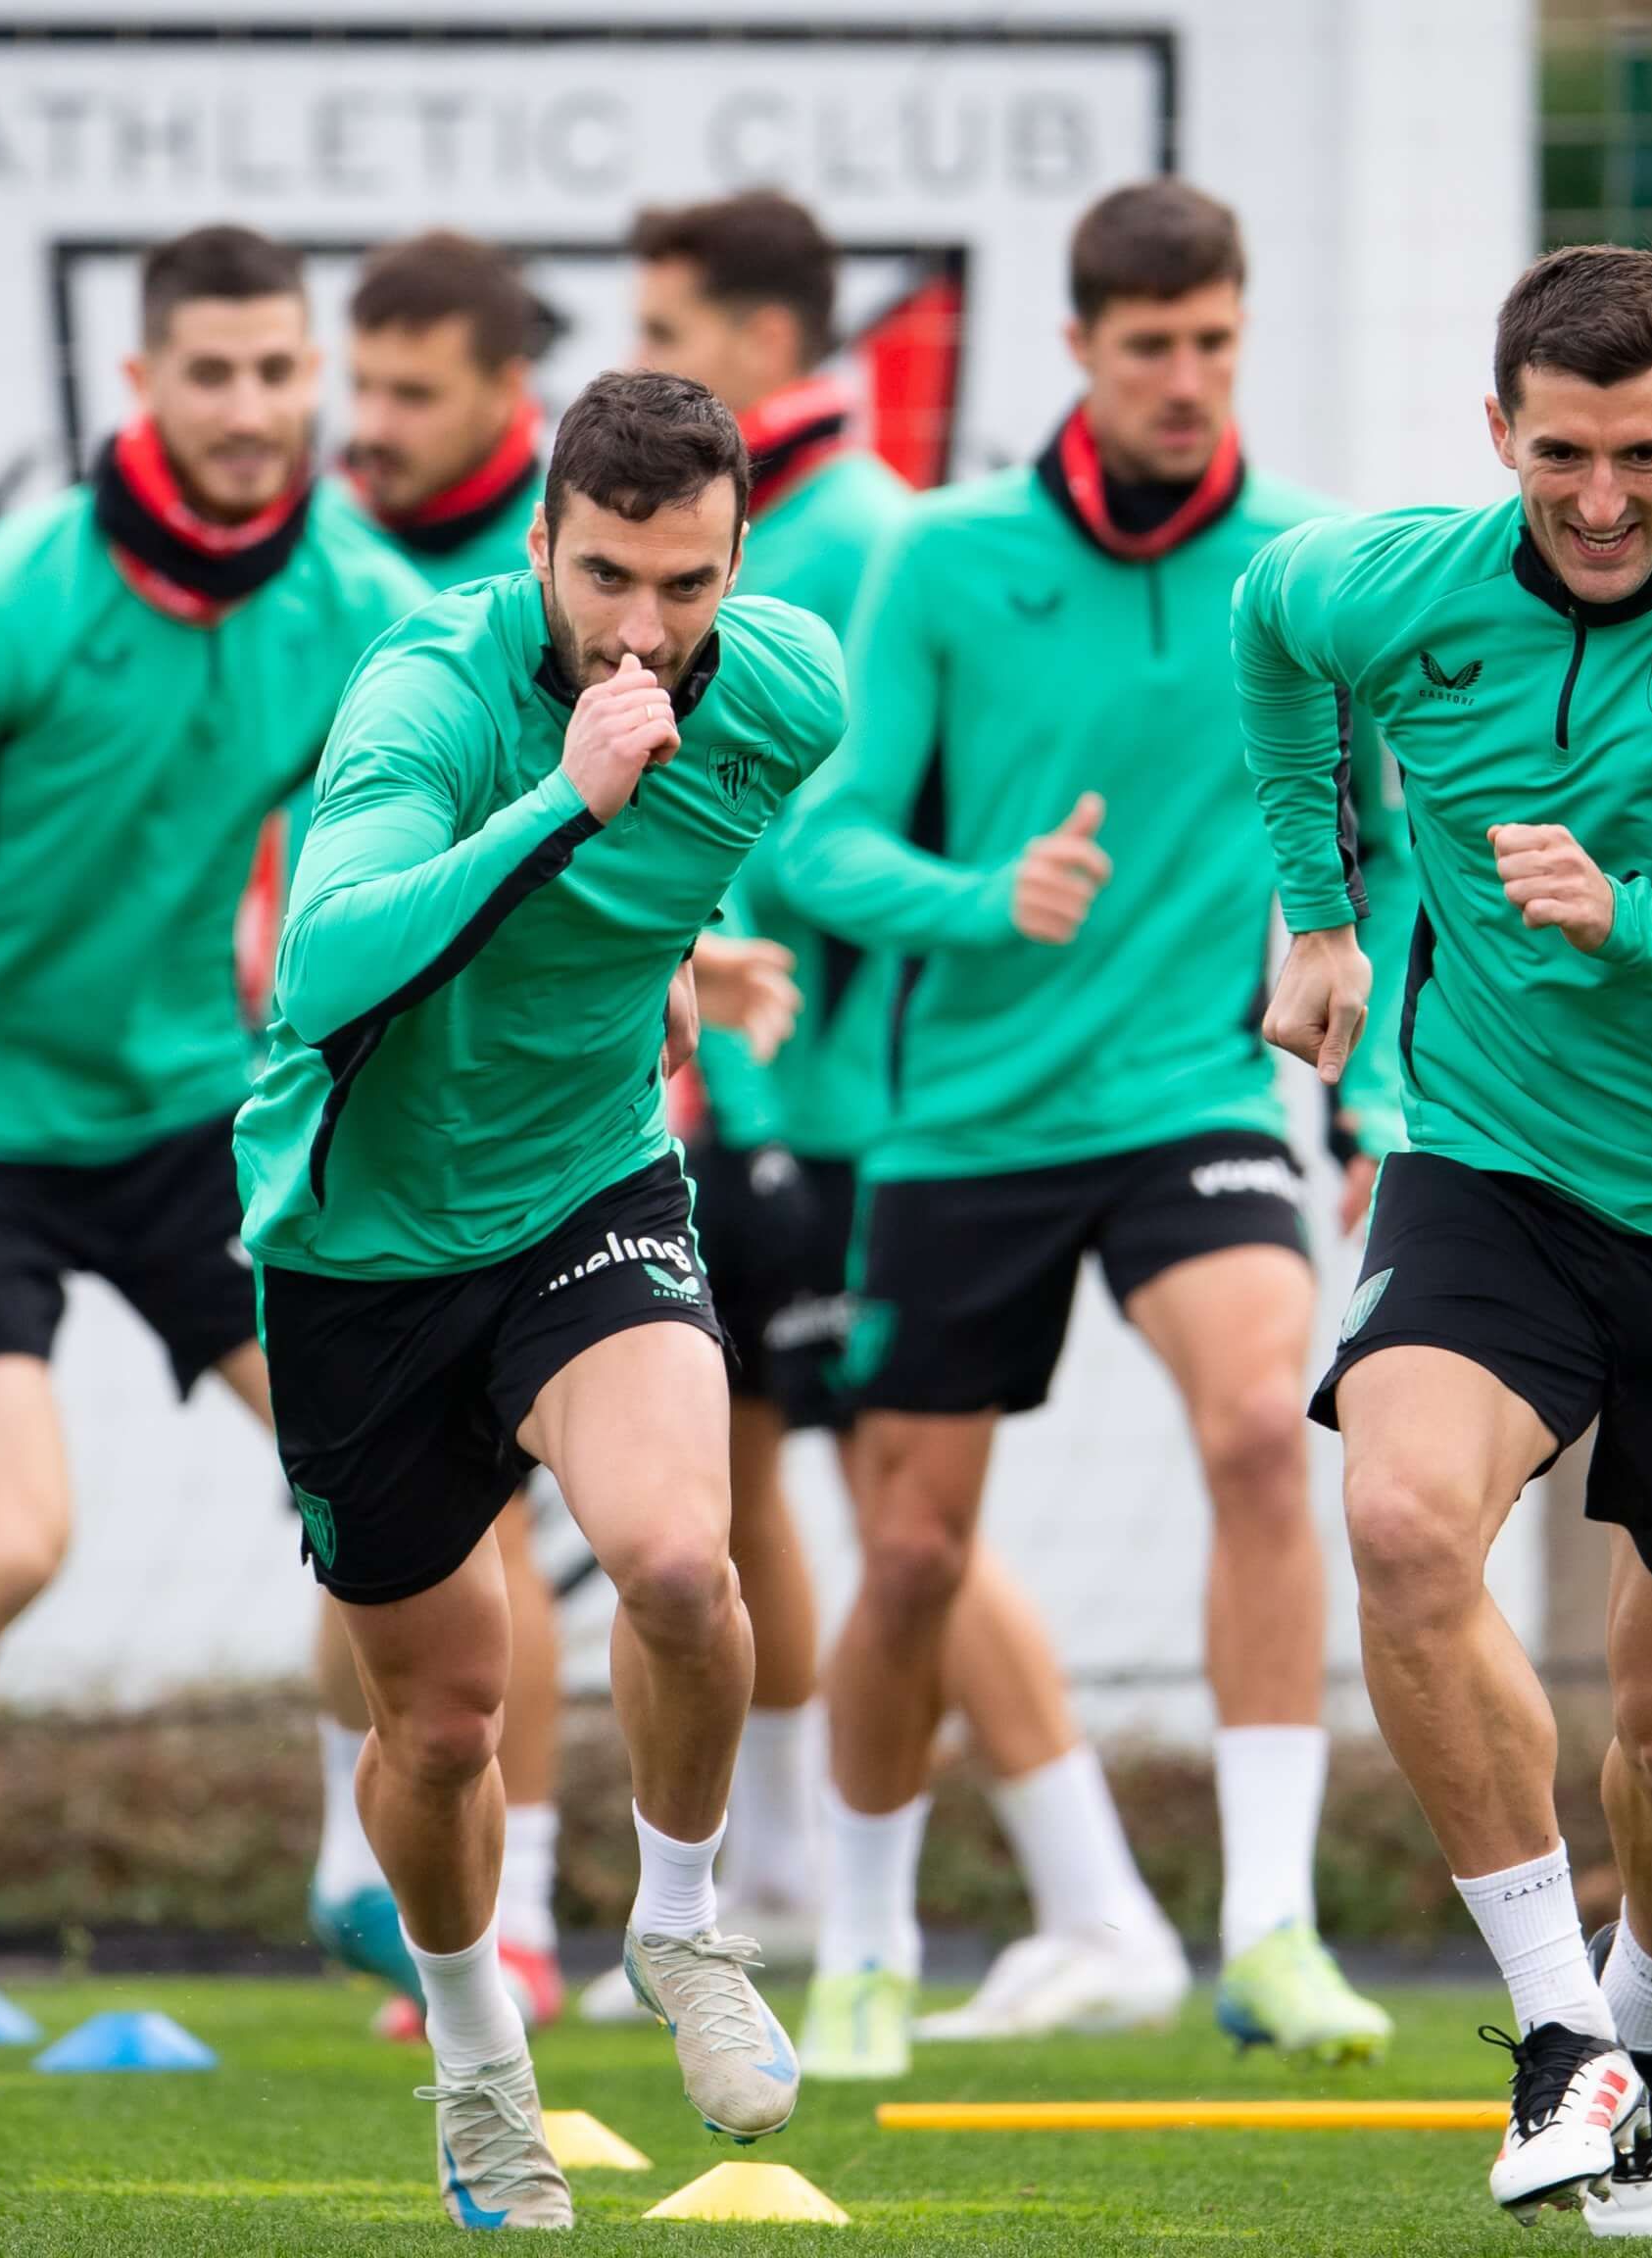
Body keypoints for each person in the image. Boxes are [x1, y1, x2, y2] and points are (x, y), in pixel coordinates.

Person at [1243, 244, 1652, 2227]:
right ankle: (1564, 2040)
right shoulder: (1399, 584)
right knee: (1390, 1524)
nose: (1601, 498)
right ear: (1495, 436)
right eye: (1560, 454)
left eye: (1643, 453)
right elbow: (1268, 634)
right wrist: (1316, 906)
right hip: (1492, 1169)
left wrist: (1632, 918)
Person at [0, 224, 429, 2064]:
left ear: (316, 384)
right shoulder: (15, 600)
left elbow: (458, 841)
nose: (246, 406)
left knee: (407, 1488)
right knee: (8, 1544)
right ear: (139, 386)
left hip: (194, 1122)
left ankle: (356, 1861)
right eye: (208, 372)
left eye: (277, 370)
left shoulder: (357, 601)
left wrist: (671, 943)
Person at [770, 177, 1400, 2085]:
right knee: (907, 1561)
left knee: (1257, 1436)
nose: (1187, 380)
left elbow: (1371, 860)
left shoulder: (1304, 561)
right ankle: (867, 1949)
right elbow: (818, 837)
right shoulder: (948, 559)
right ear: (1077, 350)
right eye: (1150, 348)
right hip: (962, 1123)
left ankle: (1270, 1932)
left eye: (1213, 342)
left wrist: (1363, 1092)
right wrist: (983, 904)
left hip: (1193, 1102)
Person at [240, 368, 834, 2228]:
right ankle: (475, 2051)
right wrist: (561, 809)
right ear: (538, 546)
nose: (643, 629)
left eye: (686, 582)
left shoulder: (793, 688)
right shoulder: (427, 688)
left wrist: (682, 958)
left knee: (676, 1558)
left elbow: (638, 897)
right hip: (357, 1244)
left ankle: (680, 1924)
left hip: (586, 1182)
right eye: (604, 580)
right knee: (439, 1723)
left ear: (743, 555)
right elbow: (322, 968)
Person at [602, 187, 1189, 2042]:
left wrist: (773, 990)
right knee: (740, 1474)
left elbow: (824, 825)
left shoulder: (857, 534)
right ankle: (764, 1870)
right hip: (745, 1081)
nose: (638, 361)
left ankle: (1102, 1902)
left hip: (850, 1095)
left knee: (900, 1507)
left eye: (671, 321)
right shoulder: (721, 542)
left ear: (772, 346)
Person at [341, 230, 549, 590]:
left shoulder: (571, 567)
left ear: (507, 389)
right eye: (361, 386)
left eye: (414, 395)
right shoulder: (297, 549)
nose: (373, 430)